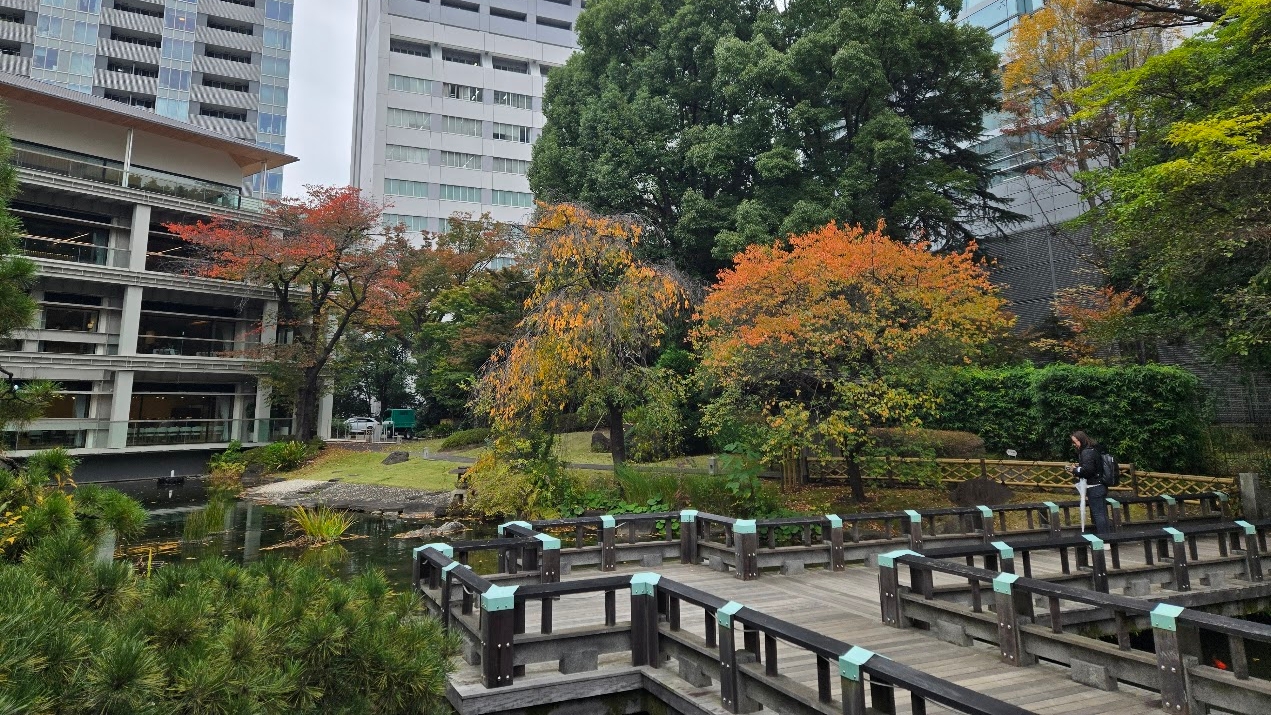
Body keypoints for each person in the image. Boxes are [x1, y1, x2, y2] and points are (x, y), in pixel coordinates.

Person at [1067, 430, 1110, 536]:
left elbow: (1088, 471)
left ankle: (1104, 539)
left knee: (1098, 514)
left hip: (1095, 486)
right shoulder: (1094, 449)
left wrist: (1075, 470)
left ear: (1081, 440)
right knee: (1102, 514)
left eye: (1075, 442)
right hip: (1100, 485)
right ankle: (1106, 538)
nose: (1074, 445)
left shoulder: (1087, 452)